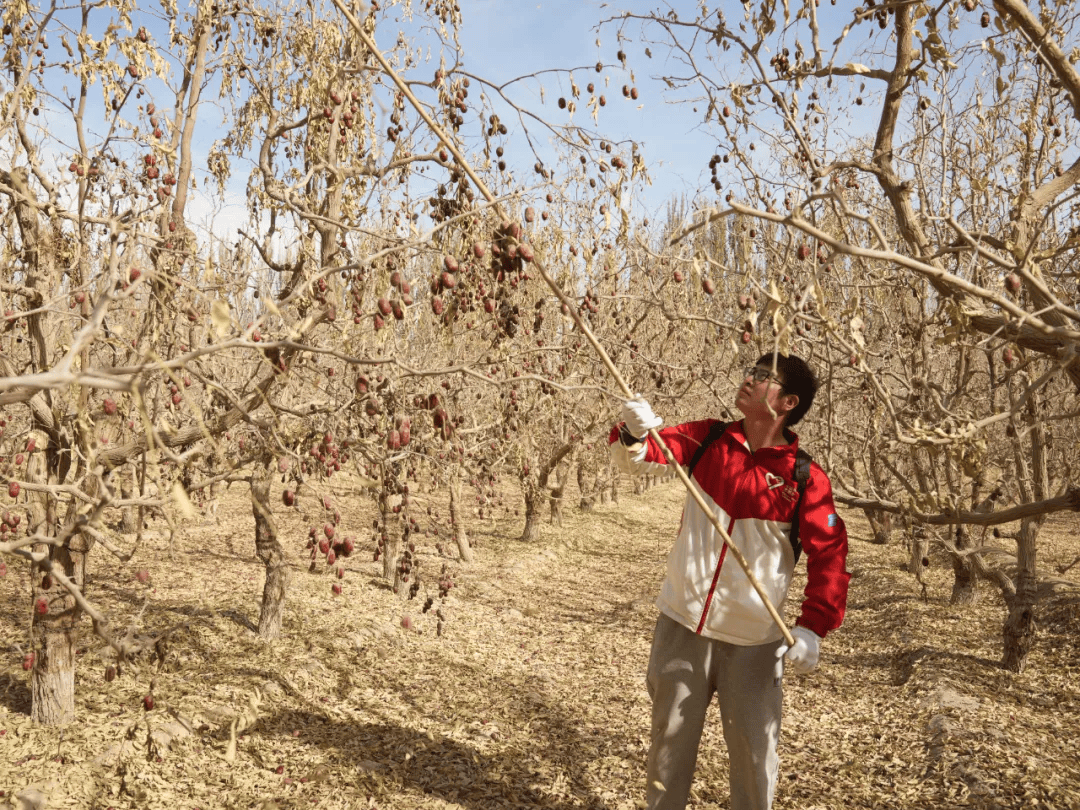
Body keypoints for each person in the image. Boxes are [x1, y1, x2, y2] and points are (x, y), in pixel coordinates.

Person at [609, 353, 850, 810]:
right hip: (683, 625)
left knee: (755, 767)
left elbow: (830, 554)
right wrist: (634, 432)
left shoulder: (804, 477)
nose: (748, 378)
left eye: (762, 376)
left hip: (754, 645)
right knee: (666, 761)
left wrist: (812, 627)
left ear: (787, 401)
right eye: (750, 369)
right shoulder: (709, 439)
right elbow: (639, 459)